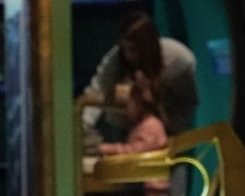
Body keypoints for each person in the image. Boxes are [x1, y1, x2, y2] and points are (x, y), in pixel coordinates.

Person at [82, 11, 198, 140]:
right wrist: (83, 125)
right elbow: (97, 91)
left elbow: (187, 101)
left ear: (147, 46)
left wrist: (173, 130)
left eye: (132, 49)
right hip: (124, 126)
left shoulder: (179, 60)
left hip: (168, 126)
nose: (128, 55)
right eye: (124, 48)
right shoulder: (115, 59)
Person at [98, 71, 170, 196]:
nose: (125, 110)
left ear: (138, 103)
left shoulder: (152, 125)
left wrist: (105, 148)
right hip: (141, 184)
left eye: (128, 105)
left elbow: (135, 151)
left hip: (152, 191)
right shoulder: (141, 125)